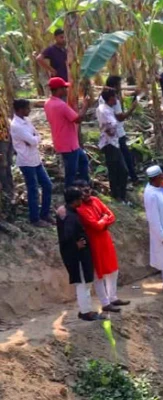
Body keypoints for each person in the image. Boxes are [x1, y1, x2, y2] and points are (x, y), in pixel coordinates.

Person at [73, 182, 125, 313]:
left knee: (113, 269)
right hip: (94, 242)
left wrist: (104, 220)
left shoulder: (95, 200)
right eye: (83, 191)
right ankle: (105, 302)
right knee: (98, 273)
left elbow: (111, 215)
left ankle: (113, 297)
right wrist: (105, 218)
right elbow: (96, 225)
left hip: (105, 238)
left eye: (88, 190)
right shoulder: (80, 208)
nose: (86, 194)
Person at [57, 188, 100, 321]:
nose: (82, 200)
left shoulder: (66, 212)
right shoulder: (70, 216)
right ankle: (85, 312)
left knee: (83, 283)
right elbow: (67, 235)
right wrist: (75, 245)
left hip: (76, 254)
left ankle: (85, 309)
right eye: (80, 198)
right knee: (83, 283)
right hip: (77, 256)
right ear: (75, 201)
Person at [11, 99, 52, 227]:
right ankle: (35, 219)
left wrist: (34, 138)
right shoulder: (16, 126)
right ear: (20, 110)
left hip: (35, 159)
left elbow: (36, 136)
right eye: (27, 108)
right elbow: (33, 140)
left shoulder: (27, 120)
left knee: (47, 185)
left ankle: (45, 214)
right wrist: (34, 139)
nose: (29, 110)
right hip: (26, 162)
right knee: (33, 189)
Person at [44, 77, 91, 187]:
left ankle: (84, 186)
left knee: (83, 161)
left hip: (61, 141)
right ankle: (69, 191)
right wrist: (85, 106)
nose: (66, 90)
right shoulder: (61, 105)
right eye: (64, 88)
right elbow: (78, 119)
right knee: (71, 172)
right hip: (69, 144)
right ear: (58, 89)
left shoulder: (48, 103)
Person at [96, 88, 128, 202]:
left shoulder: (107, 109)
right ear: (110, 98)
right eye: (115, 96)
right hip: (109, 143)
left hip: (113, 143)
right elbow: (108, 127)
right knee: (118, 170)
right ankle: (117, 195)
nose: (117, 99)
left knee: (119, 170)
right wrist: (111, 130)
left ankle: (120, 194)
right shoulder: (104, 110)